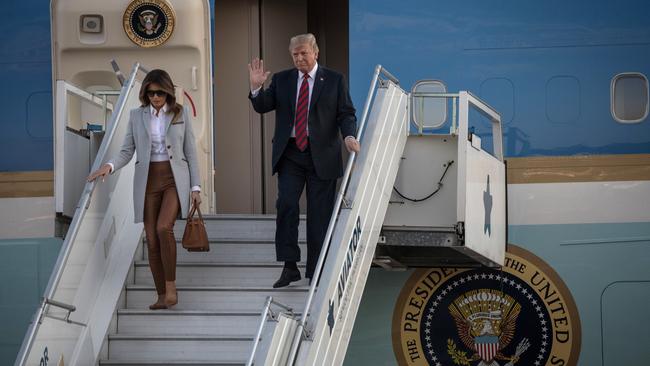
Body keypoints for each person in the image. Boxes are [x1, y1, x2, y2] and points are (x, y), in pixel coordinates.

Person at [248, 33, 360, 288]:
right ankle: (290, 267)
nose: (299, 58)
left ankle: (316, 269)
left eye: (303, 53)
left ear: (315, 53)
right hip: (291, 154)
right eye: (295, 54)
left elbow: (346, 113)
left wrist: (349, 136)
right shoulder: (283, 79)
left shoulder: (334, 79)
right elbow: (263, 105)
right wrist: (256, 88)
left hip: (322, 154)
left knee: (319, 216)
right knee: (286, 204)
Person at [87, 69, 202, 309]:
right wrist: (109, 166)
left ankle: (171, 288)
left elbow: (190, 151)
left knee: (163, 228)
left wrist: (195, 186)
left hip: (173, 180)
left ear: (168, 91)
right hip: (148, 181)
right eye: (151, 93)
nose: (156, 97)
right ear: (145, 94)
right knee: (151, 240)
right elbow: (127, 150)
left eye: (160, 92)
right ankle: (161, 295)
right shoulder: (136, 115)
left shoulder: (179, 113)